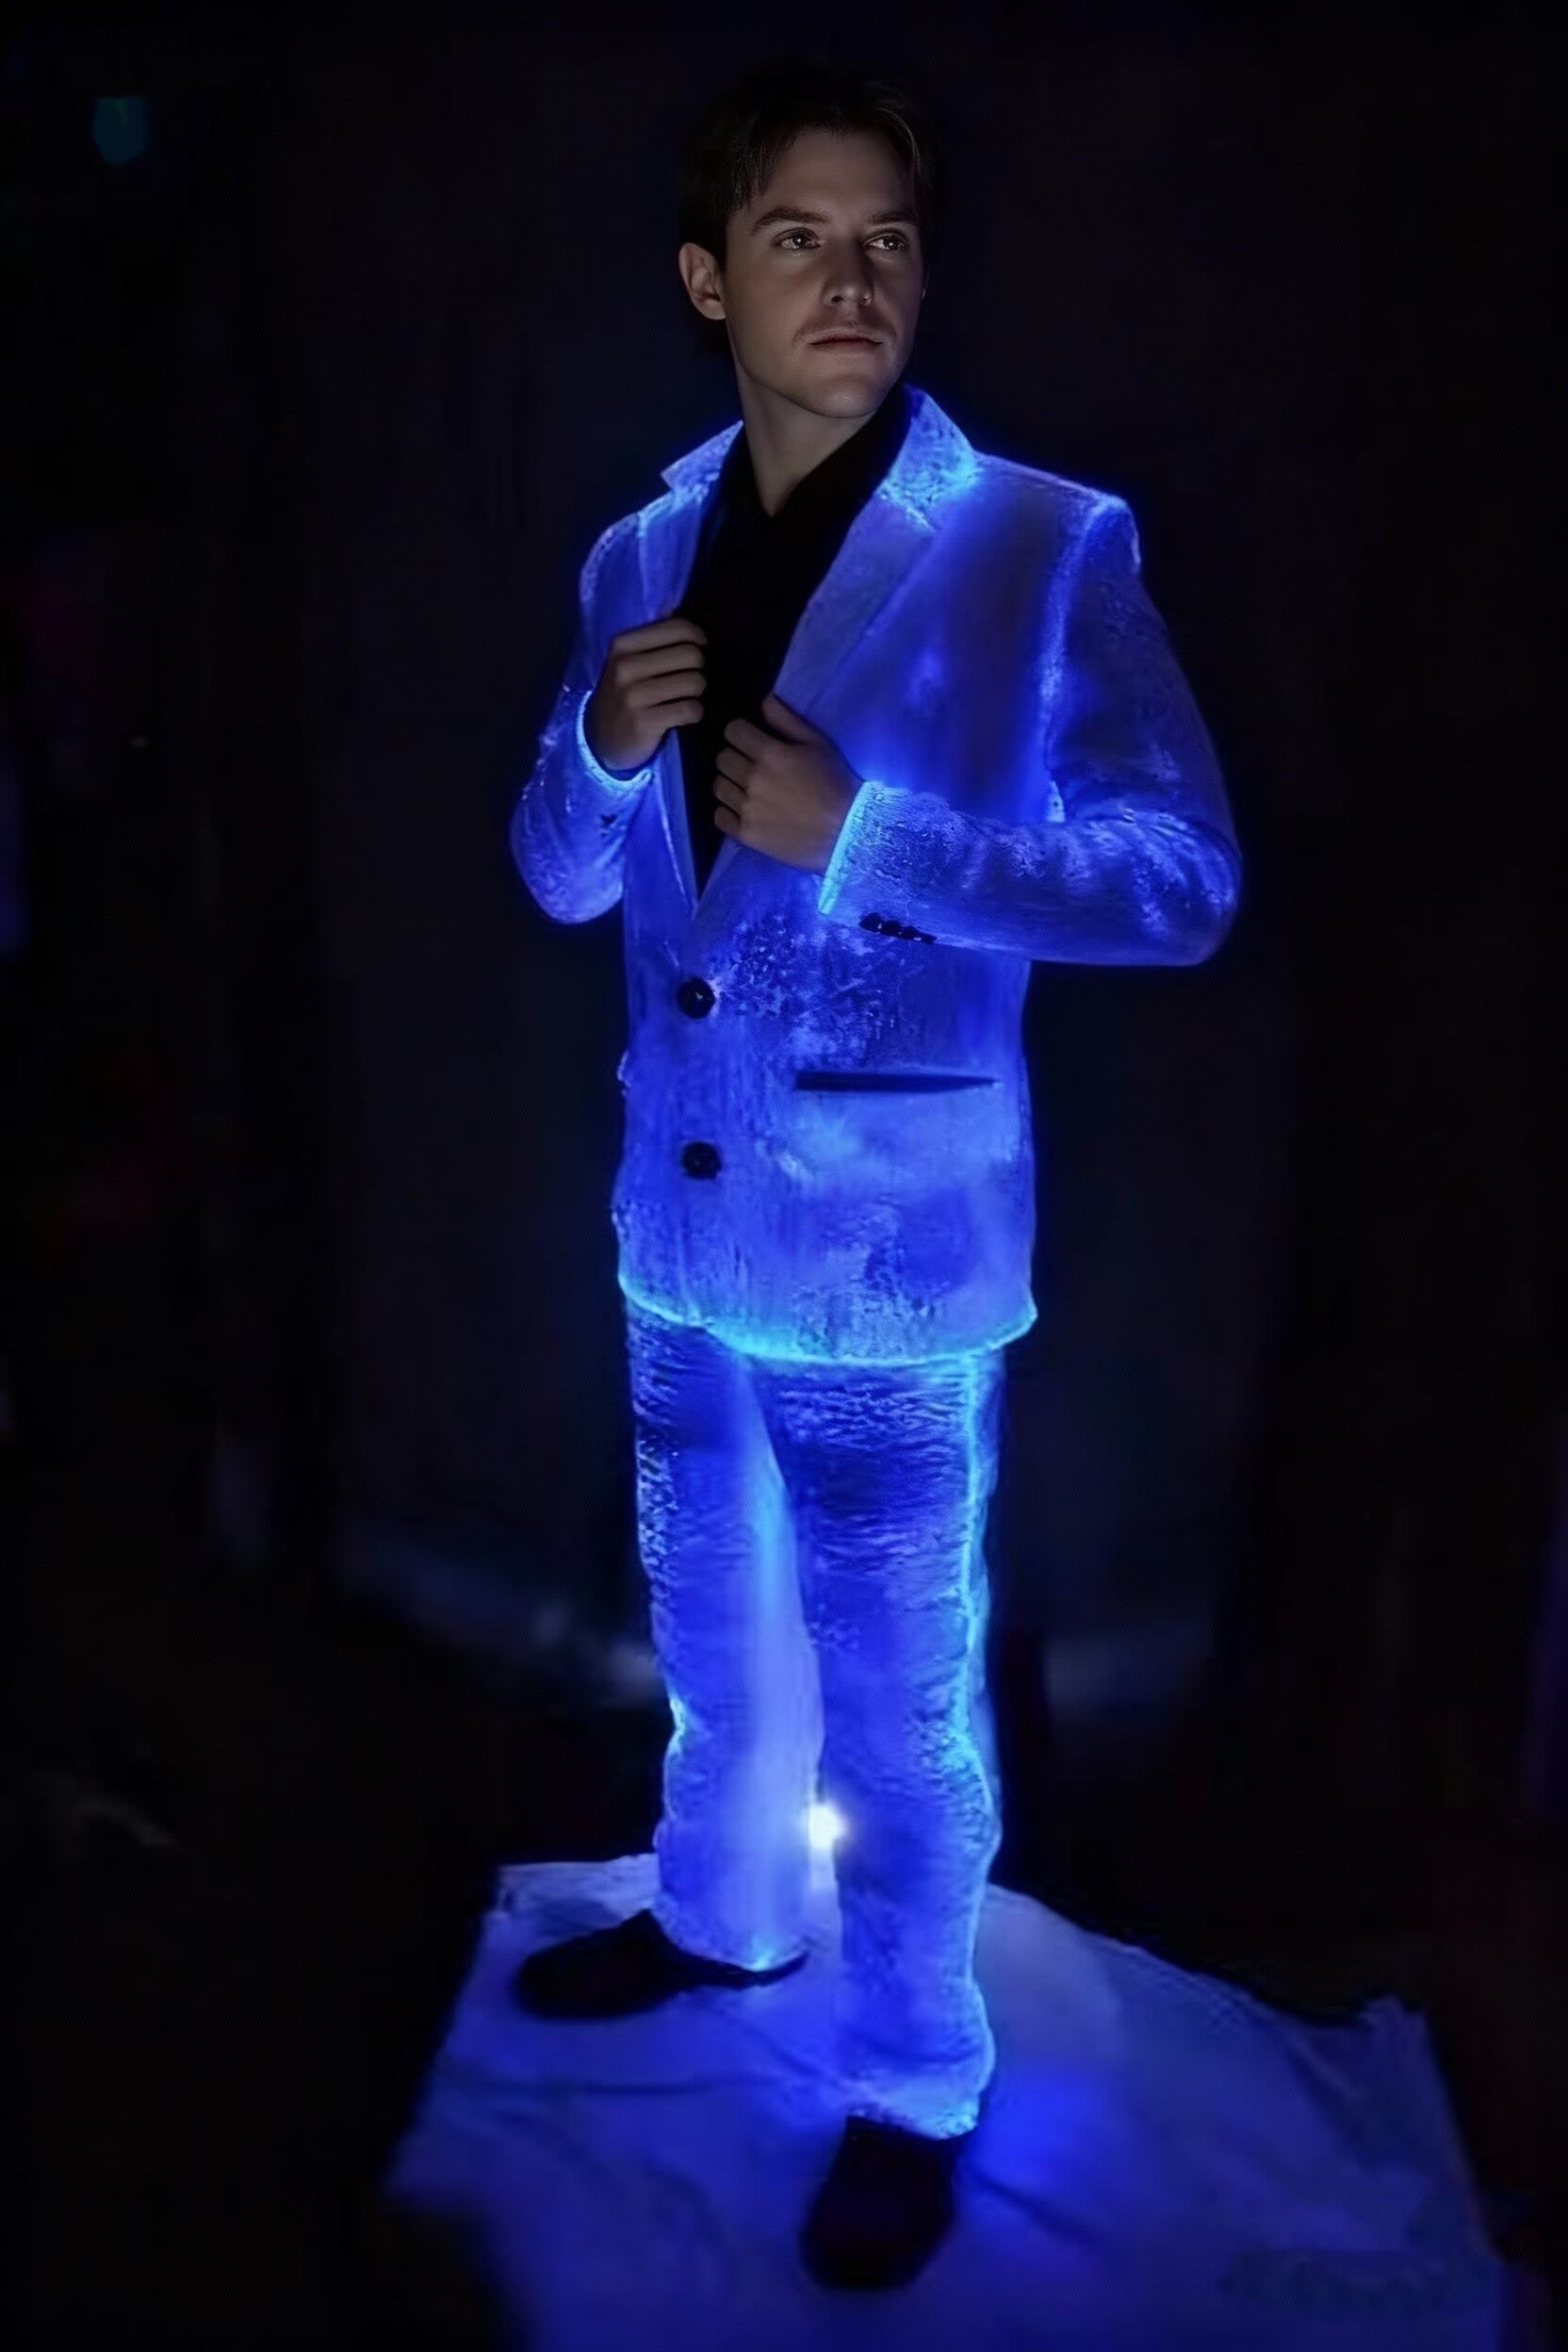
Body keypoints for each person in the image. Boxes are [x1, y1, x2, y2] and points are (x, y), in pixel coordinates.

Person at [509, 53, 1241, 2292]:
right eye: (800, 239)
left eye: (887, 240)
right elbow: (555, 876)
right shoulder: (636, 550)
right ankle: (720, 1912)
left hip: (889, 1256)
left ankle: (916, 2068)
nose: (854, 280)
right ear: (706, 279)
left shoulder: (1040, 542)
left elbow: (1179, 880)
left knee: (901, 1690)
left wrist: (877, 840)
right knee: (707, 1627)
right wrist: (596, 743)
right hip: (675, 1229)